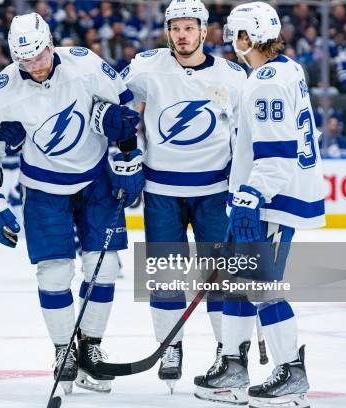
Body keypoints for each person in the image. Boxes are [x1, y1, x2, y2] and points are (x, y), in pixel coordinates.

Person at [0, 12, 143, 395]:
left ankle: (91, 347)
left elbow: (124, 109)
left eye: (39, 55)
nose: (35, 66)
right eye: (25, 61)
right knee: (53, 272)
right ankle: (63, 350)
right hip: (43, 188)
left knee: (106, 266)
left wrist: (130, 155)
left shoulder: (84, 62)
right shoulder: (2, 89)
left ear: (51, 44)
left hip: (96, 179)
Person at [194, 3, 325, 408]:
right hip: (266, 195)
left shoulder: (265, 81)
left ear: (248, 37)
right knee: (239, 282)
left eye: (235, 34)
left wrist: (251, 198)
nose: (231, 42)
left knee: (262, 288)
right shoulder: (287, 69)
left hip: (270, 200)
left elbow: (278, 153)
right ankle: (233, 364)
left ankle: (291, 373)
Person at [121, 0, 246, 393]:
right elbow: (114, 99)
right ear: (167, 30)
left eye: (190, 27)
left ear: (204, 31)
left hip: (214, 192)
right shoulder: (146, 66)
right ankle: (169, 346)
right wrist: (125, 146)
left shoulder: (232, 75)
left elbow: (248, 132)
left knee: (220, 280)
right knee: (165, 276)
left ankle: (227, 353)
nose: (182, 35)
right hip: (161, 191)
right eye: (175, 27)